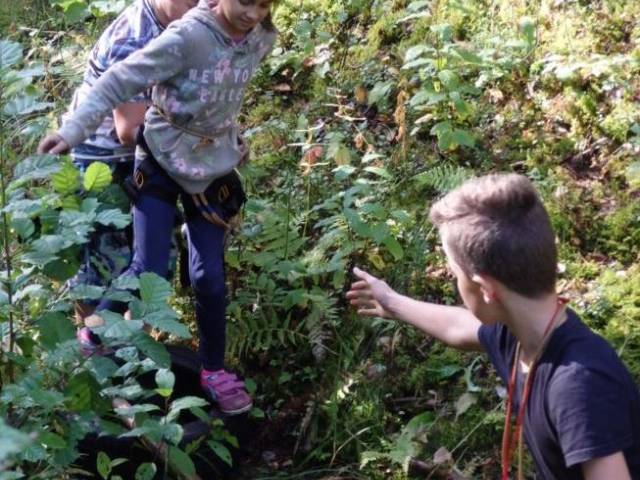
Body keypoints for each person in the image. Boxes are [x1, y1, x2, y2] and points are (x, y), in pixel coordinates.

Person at [38, 0, 279, 415]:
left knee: (209, 279)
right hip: (143, 156)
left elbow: (223, 94)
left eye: (264, 4)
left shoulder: (259, 38)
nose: (254, 14)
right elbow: (121, 93)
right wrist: (72, 130)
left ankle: (212, 370)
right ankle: (95, 346)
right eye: (246, 2)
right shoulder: (182, 35)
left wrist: (229, 135)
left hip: (208, 163)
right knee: (146, 268)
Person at [346, 173, 640, 479]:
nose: (454, 283)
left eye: (455, 274)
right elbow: (460, 327)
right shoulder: (522, 337)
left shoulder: (578, 386)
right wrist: (391, 302)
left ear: (485, 289)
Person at [65, 0, 197, 322]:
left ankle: (132, 356)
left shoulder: (190, 27)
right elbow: (128, 130)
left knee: (154, 270)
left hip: (152, 153)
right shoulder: (135, 38)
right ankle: (95, 356)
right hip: (102, 160)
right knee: (102, 270)